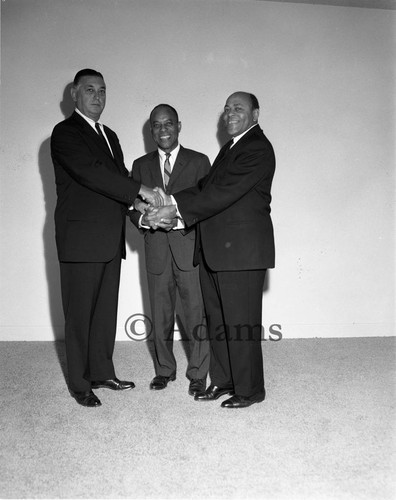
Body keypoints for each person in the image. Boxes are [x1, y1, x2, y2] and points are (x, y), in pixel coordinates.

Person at [146, 92, 275, 408]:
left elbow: (221, 194)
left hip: (242, 254)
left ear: (255, 114)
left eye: (239, 108)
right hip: (218, 251)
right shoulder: (231, 148)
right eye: (228, 108)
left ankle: (249, 390)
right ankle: (224, 381)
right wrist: (172, 201)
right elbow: (205, 188)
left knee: (240, 324)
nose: (230, 113)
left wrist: (172, 210)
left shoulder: (257, 148)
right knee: (218, 322)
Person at [51, 68, 162, 407]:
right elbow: (94, 175)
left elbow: (118, 184)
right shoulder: (65, 132)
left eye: (102, 90)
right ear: (74, 93)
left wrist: (142, 212)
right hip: (80, 238)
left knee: (103, 311)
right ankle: (80, 383)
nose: (97, 96)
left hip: (109, 237)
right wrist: (141, 188)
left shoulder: (110, 135)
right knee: (80, 313)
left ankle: (102, 371)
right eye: (89, 89)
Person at [129, 104, 211, 396]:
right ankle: (164, 370)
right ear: (150, 130)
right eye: (156, 125)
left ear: (179, 126)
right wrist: (143, 218)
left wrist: (174, 217)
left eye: (168, 124)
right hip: (156, 251)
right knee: (160, 313)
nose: (163, 130)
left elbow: (206, 203)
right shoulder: (140, 165)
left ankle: (199, 373)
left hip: (188, 248)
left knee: (195, 314)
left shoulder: (199, 162)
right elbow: (131, 206)